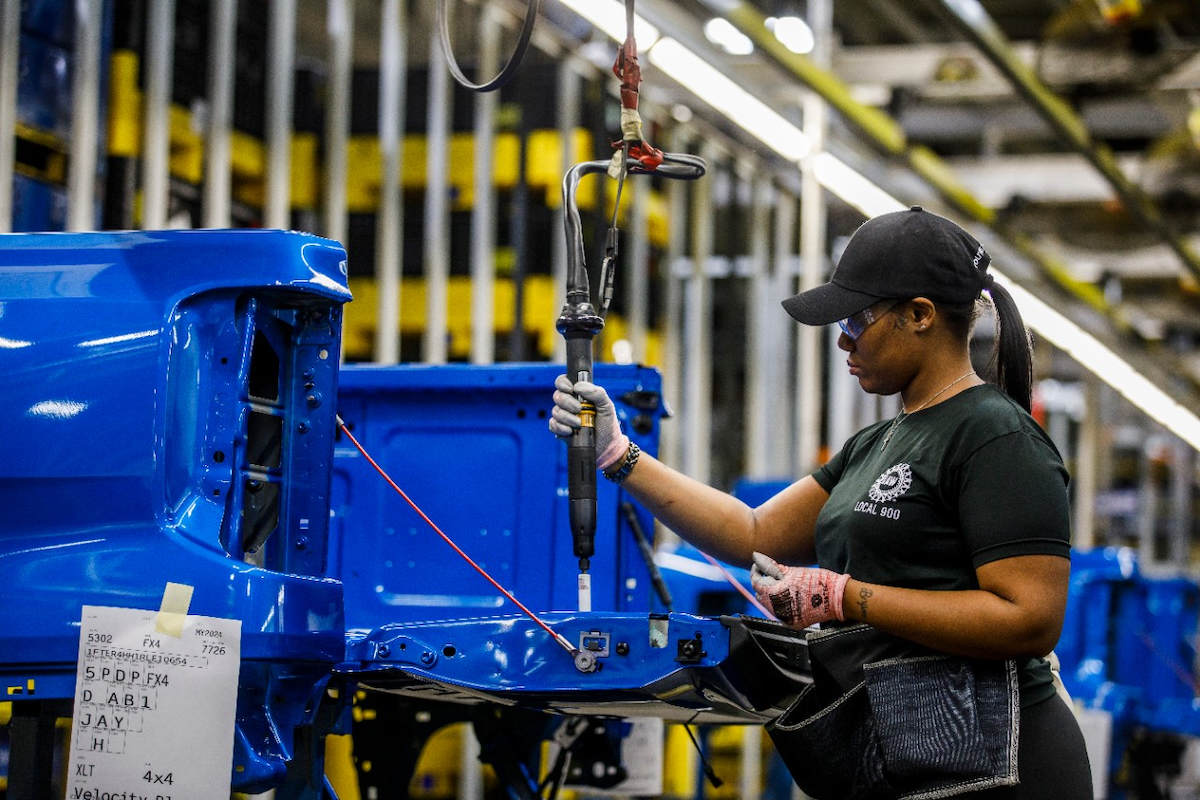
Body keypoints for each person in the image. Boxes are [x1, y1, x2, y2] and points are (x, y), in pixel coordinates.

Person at [549, 205, 1093, 800]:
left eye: (857, 320)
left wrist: (844, 598)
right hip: (912, 751)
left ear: (920, 316)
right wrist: (619, 454)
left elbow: (1029, 619)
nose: (841, 338)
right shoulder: (878, 442)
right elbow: (752, 531)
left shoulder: (995, 434)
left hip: (1001, 764)